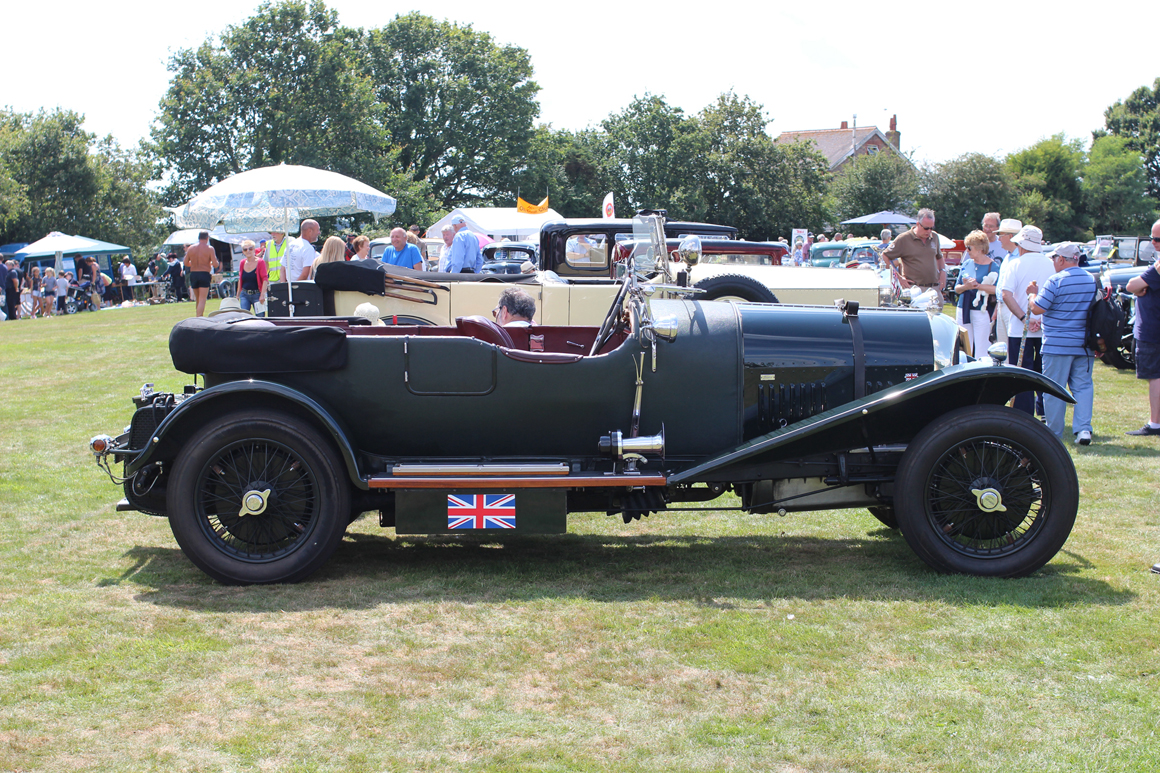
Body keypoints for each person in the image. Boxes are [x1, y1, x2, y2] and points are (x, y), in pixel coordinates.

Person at [1026, 243, 1097, 444]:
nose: (1053, 261)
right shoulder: (1091, 280)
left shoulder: (1055, 280)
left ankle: (1054, 433)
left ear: (1062, 259)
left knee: (1054, 389)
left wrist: (1032, 294)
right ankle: (1083, 430)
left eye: (1055, 258)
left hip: (1057, 344)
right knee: (1083, 387)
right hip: (1084, 344)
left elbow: (1038, 308)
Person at [1000, 225, 1054, 416]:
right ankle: (1045, 410)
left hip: (1019, 327)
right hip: (1045, 325)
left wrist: (1024, 318)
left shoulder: (1015, 263)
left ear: (1021, 244)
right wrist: (1035, 318)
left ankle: (1023, 413)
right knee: (1044, 371)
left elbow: (1006, 294)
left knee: (1022, 373)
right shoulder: (1050, 264)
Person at [1125, 219, 1160, 441]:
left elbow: (1130, 286)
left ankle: (1155, 422)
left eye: (1158, 239)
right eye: (1153, 238)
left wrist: (1140, 288)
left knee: (1155, 377)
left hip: (1153, 330)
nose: (1154, 243)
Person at [954, 230, 1000, 357]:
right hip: (963, 308)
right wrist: (966, 286)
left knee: (982, 345)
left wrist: (979, 286)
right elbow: (956, 288)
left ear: (980, 249)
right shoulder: (967, 263)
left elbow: (997, 290)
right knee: (963, 344)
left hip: (982, 310)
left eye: (969, 247)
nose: (967, 251)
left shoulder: (993, 266)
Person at [882, 208, 945, 302]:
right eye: (926, 228)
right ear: (918, 224)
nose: (929, 231)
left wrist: (943, 272)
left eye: (932, 228)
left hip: (933, 289)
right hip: (914, 290)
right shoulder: (904, 238)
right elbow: (884, 256)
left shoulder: (934, 237)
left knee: (936, 316)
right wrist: (898, 277)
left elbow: (939, 257)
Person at [993, 219, 1023, 350]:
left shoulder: (1020, 258)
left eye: (1001, 235)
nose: (998, 238)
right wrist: (997, 308)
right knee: (1002, 347)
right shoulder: (1007, 257)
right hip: (1002, 305)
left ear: (1011, 236)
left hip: (1013, 305)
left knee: (1012, 346)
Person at [184, 231, 221, 317]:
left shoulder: (191, 248)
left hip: (193, 274)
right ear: (207, 238)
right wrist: (210, 264)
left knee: (198, 299)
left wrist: (193, 264)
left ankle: (198, 316)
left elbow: (186, 263)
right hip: (204, 274)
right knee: (202, 299)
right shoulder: (209, 248)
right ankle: (199, 317)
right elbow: (215, 264)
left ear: (198, 238)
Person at [236, 239, 268, 314]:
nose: (248, 251)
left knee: (260, 318)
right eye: (245, 249)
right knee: (244, 317)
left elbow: (265, 279)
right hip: (244, 294)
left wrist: (262, 294)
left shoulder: (260, 262)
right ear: (243, 252)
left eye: (250, 249)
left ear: (254, 249)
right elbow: (240, 279)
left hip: (257, 294)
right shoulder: (242, 262)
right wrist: (237, 296)